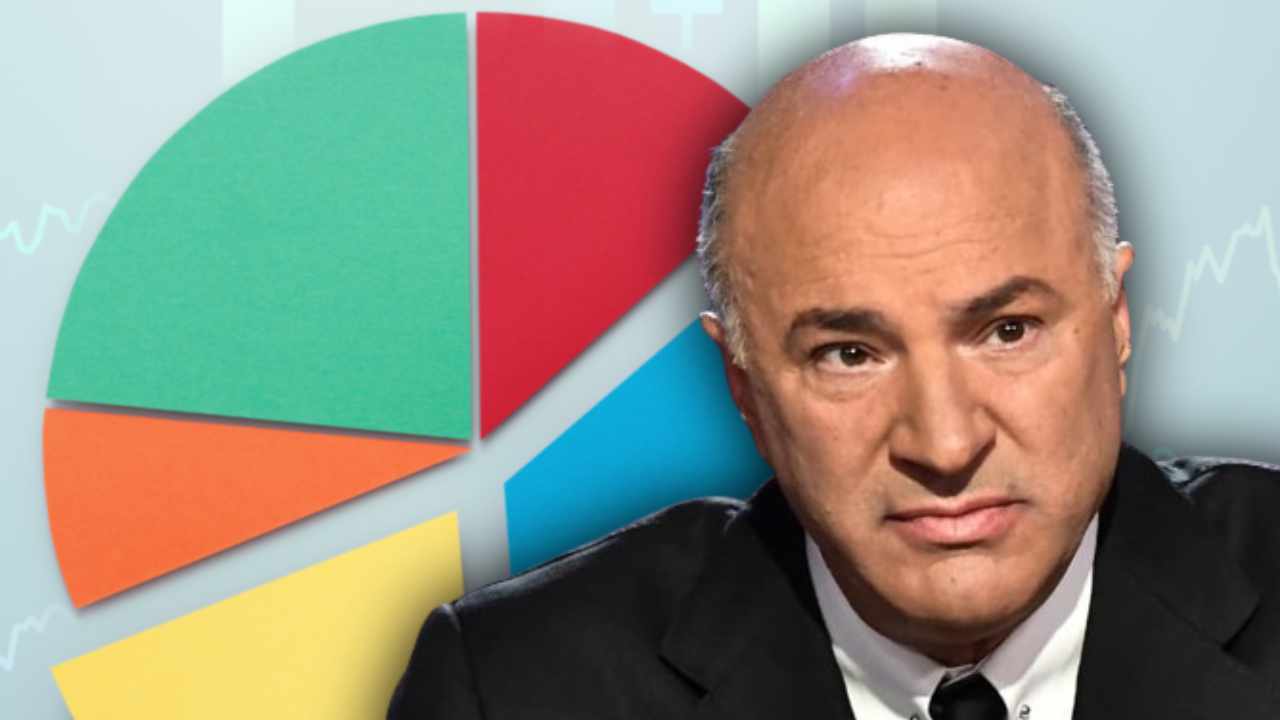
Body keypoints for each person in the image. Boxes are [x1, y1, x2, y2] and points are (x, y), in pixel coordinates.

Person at [388, 34, 1280, 719]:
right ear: (744, 388)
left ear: (1116, 320)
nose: (945, 443)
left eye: (1007, 332)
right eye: (849, 354)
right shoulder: (515, 687)